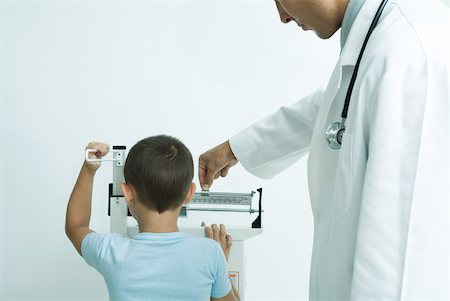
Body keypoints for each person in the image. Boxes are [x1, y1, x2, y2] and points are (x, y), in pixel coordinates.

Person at [199, 0, 450, 300]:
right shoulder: (376, 41)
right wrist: (234, 149)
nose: (282, 16)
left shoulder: (409, 53)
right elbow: (332, 105)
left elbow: (400, 259)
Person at [65, 135, 240, 301]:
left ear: (127, 192)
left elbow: (75, 226)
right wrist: (221, 268)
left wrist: (89, 169)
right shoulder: (211, 254)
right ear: (189, 194)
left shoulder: (112, 251)